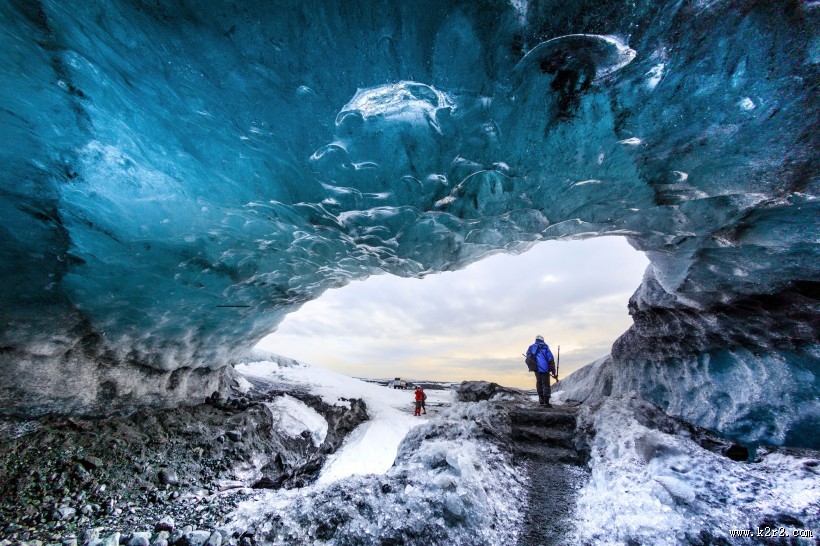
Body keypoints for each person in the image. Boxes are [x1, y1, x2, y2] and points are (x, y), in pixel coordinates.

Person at [525, 335, 557, 406]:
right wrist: (553, 371)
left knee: (539, 382)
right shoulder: (545, 347)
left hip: (536, 368)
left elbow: (528, 357)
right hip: (545, 369)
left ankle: (541, 399)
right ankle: (546, 401)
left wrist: (531, 367)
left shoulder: (531, 347)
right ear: (542, 340)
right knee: (546, 384)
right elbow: (550, 359)